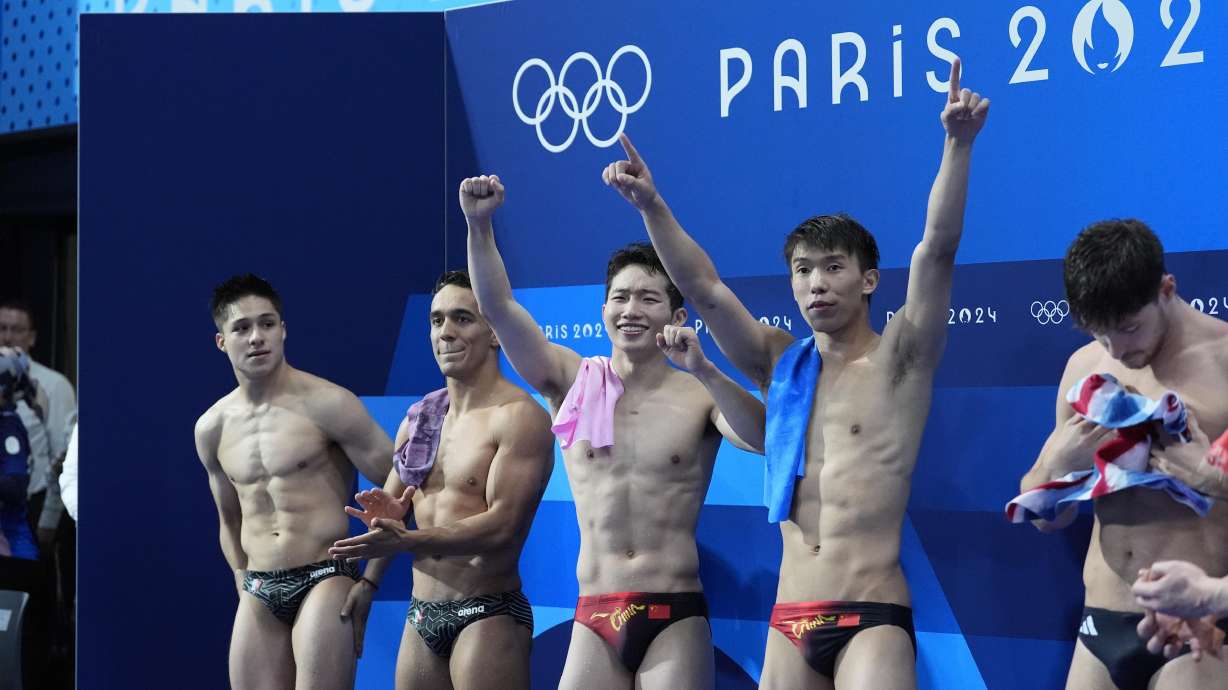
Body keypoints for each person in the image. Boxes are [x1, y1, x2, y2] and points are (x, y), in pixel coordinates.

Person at [601, 59, 988, 688]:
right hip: (789, 616)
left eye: (833, 268)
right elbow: (702, 288)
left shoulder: (902, 359)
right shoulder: (779, 361)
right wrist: (652, 205)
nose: (816, 284)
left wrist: (958, 143)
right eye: (803, 271)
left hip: (873, 612)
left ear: (867, 280)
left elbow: (936, 249)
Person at [462, 174, 766, 689]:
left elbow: (763, 438)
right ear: (603, 310)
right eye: (620, 297)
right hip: (594, 611)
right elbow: (499, 309)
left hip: (674, 611)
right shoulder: (572, 381)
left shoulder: (697, 393)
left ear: (676, 314)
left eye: (648, 299)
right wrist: (479, 225)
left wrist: (708, 371)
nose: (631, 310)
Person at [1019, 219, 1228, 689]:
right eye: (1099, 333)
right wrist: (1056, 467)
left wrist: (1212, 479)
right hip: (1099, 626)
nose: (1117, 349)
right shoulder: (1084, 366)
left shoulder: (1225, 363)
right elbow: (1045, 517)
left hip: (1197, 628)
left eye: (1129, 328)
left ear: (1166, 289)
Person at [328, 271, 555, 690]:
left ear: (494, 332)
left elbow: (503, 527)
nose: (445, 333)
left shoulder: (520, 417)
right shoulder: (423, 418)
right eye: (436, 321)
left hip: (486, 612)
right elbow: (392, 516)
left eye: (462, 318)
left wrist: (408, 541)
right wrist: (369, 581)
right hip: (421, 615)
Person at [195, 274, 394, 689]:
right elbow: (229, 520)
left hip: (326, 575)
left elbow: (403, 487)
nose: (256, 337)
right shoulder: (211, 428)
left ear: (283, 330)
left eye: (267, 324)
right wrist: (242, 583)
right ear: (221, 342)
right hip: (259, 586)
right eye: (242, 328)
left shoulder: (329, 403)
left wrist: (371, 580)